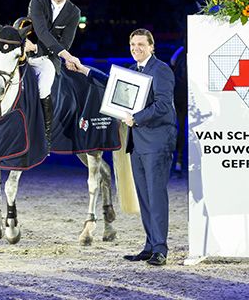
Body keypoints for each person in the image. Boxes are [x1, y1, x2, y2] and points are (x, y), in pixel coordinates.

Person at [71, 28, 177, 266]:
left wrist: (136, 118)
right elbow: (110, 84)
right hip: (137, 144)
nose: (136, 49)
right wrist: (84, 69)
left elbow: (163, 106)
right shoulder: (132, 71)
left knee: (156, 196)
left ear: (152, 46)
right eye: (133, 45)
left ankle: (160, 248)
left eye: (141, 44)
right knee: (144, 197)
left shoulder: (161, 70)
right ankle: (150, 246)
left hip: (157, 142)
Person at [23, 0, 82, 146]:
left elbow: (66, 42)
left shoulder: (74, 12)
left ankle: (45, 136)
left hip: (48, 60)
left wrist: (39, 49)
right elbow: (41, 31)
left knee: (43, 87)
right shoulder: (38, 1)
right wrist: (66, 55)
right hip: (24, 52)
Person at [170, 44, 186, 178]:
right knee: (179, 127)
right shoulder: (180, 51)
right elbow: (172, 62)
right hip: (180, 96)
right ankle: (178, 159)